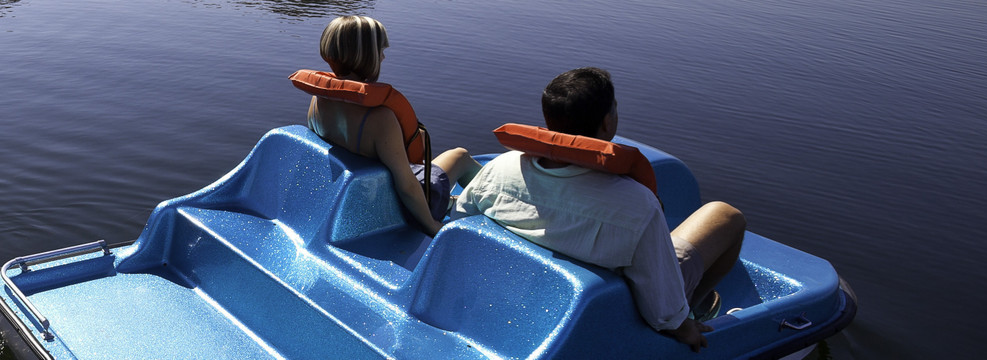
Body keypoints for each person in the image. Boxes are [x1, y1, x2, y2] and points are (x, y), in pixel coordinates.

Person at [449, 67, 748, 352]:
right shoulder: (636, 203)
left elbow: (461, 227)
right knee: (726, 216)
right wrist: (682, 328)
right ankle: (693, 310)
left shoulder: (500, 168)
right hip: (607, 305)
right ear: (607, 122)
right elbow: (661, 306)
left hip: (521, 292)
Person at [296, 15, 478, 236]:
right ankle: (495, 198)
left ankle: (452, 200)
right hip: (394, 205)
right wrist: (431, 225)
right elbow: (407, 186)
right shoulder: (380, 117)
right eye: (381, 50)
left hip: (360, 196)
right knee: (460, 156)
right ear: (367, 56)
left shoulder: (318, 101)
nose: (383, 57)